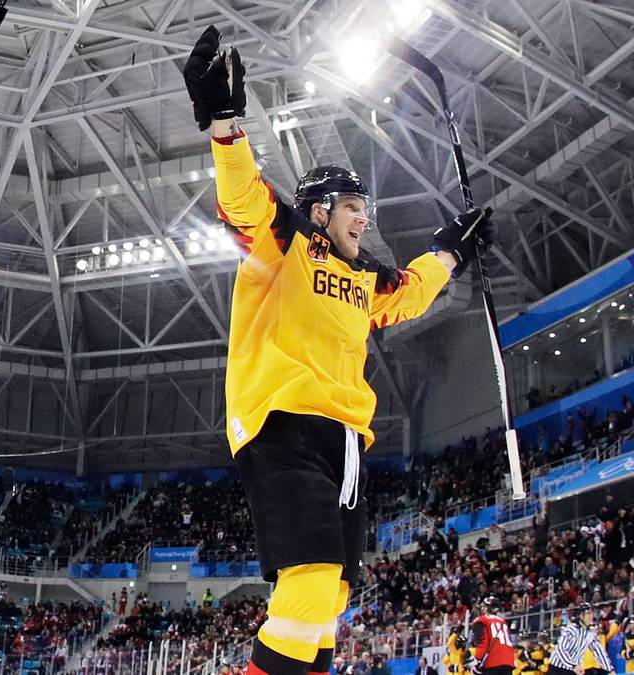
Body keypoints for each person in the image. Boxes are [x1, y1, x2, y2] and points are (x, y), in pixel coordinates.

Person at [183, 26, 491, 675]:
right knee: (312, 579)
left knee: (331, 602)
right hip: (282, 422)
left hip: (347, 439)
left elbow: (409, 293)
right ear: (318, 210)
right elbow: (242, 198)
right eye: (353, 205)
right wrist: (225, 125)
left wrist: (451, 252)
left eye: (364, 206)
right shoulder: (284, 243)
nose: (363, 217)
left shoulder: (364, 277)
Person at [549, 604, 610, 675]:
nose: (591, 616)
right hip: (557, 669)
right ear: (581, 616)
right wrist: (573, 665)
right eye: (588, 613)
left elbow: (599, 650)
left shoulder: (590, 632)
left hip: (573, 670)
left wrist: (609, 669)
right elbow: (561, 650)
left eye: (591, 613)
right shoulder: (571, 629)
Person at [471, 597, 516, 675]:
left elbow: (483, 642)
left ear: (486, 608)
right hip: (508, 661)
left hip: (492, 662)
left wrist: (477, 660)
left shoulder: (481, 620)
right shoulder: (503, 622)